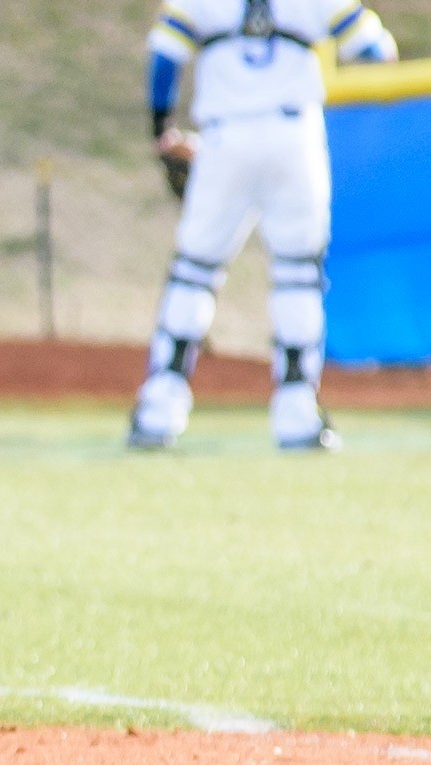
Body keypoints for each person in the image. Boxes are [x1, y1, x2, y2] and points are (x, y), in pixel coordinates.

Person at [128, 0, 397, 450]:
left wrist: (161, 125)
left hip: (224, 136)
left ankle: (159, 412)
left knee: (194, 272)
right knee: (297, 275)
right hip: (294, 137)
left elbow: (165, 55)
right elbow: (375, 51)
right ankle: (297, 415)